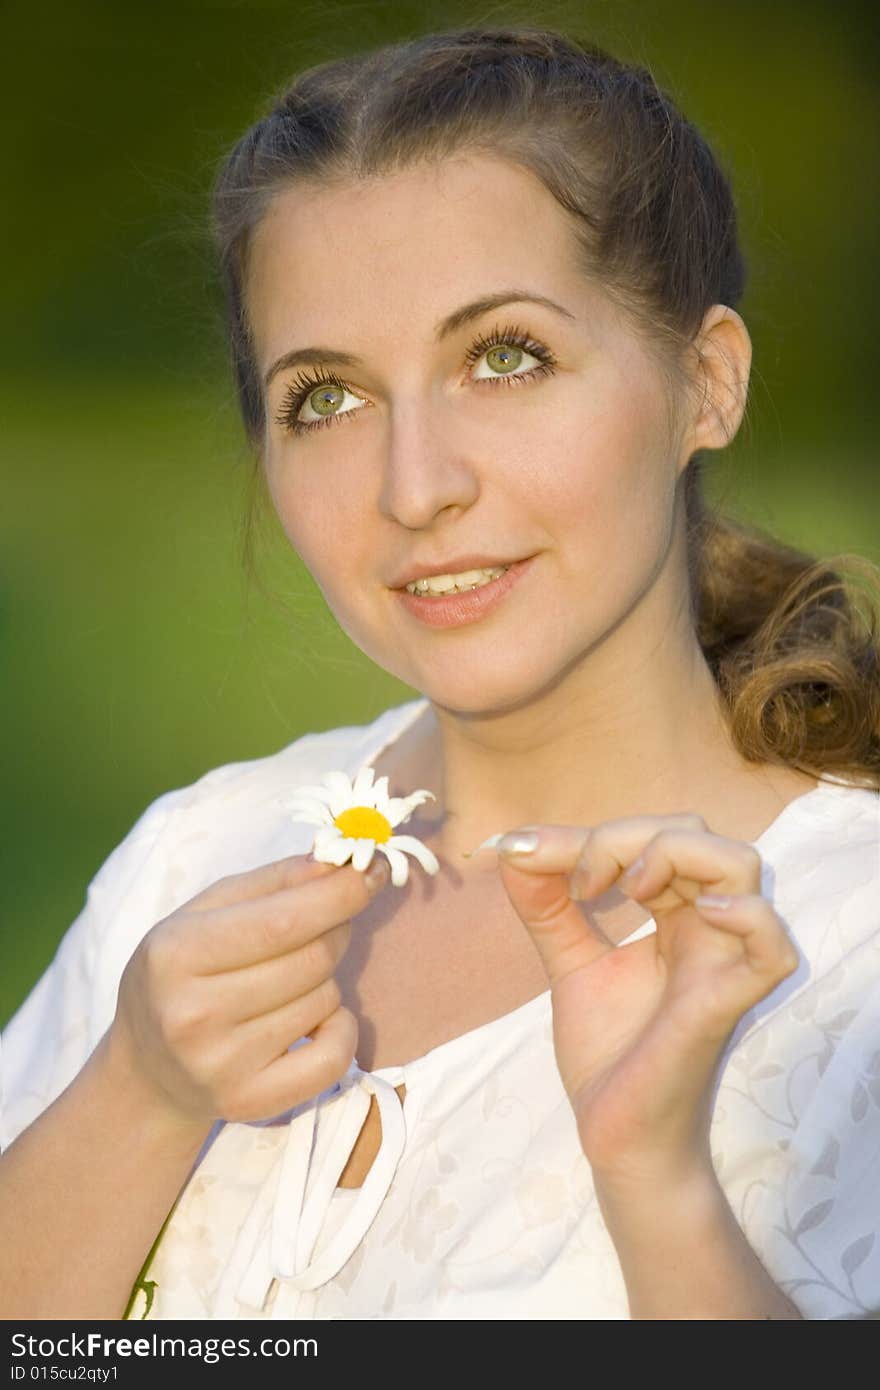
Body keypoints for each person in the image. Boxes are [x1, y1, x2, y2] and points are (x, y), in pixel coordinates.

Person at [2, 24, 879, 1322]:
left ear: (706, 383)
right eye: (327, 399)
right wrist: (136, 1090)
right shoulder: (189, 860)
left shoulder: (851, 948)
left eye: (505, 356)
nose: (416, 488)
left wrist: (656, 1180)